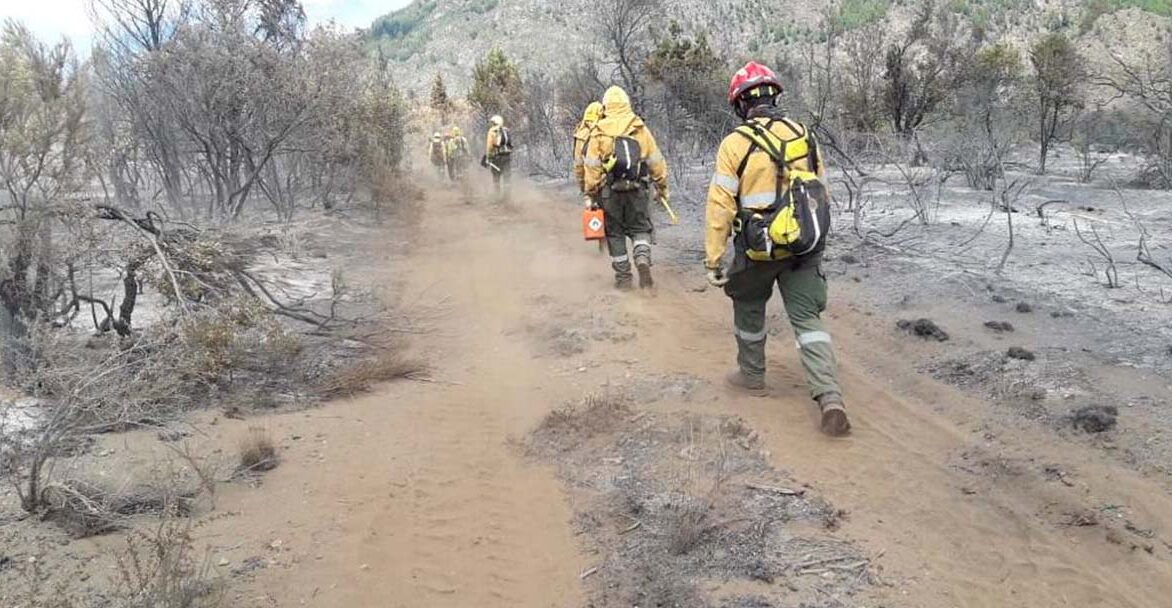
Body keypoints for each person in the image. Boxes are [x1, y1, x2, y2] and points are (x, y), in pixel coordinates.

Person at [703, 61, 850, 437]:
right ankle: (829, 397)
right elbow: (822, 193)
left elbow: (720, 205)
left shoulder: (734, 144)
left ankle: (752, 376)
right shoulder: (804, 134)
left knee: (748, 305)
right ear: (775, 97)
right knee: (808, 320)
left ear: (740, 105)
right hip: (803, 245)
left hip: (758, 249)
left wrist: (715, 257)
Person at [583, 86, 668, 290]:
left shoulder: (598, 131)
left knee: (615, 232)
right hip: (637, 189)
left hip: (609, 192)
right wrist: (661, 186)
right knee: (640, 227)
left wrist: (591, 193)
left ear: (606, 106)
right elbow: (656, 160)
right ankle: (642, 259)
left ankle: (623, 279)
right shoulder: (639, 127)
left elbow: (592, 167)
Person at [574, 101, 605, 252]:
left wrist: (584, 188)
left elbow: (579, 165)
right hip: (611, 179)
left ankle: (604, 249)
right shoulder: (609, 129)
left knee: (598, 213)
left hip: (593, 182)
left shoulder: (581, 134)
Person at [483, 115, 513, 197]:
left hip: (497, 157)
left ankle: (497, 196)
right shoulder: (507, 130)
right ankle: (507, 196)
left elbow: (490, 146)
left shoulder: (492, 131)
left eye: (492, 123)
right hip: (507, 156)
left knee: (496, 177)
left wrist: (488, 158)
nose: (491, 124)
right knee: (507, 177)